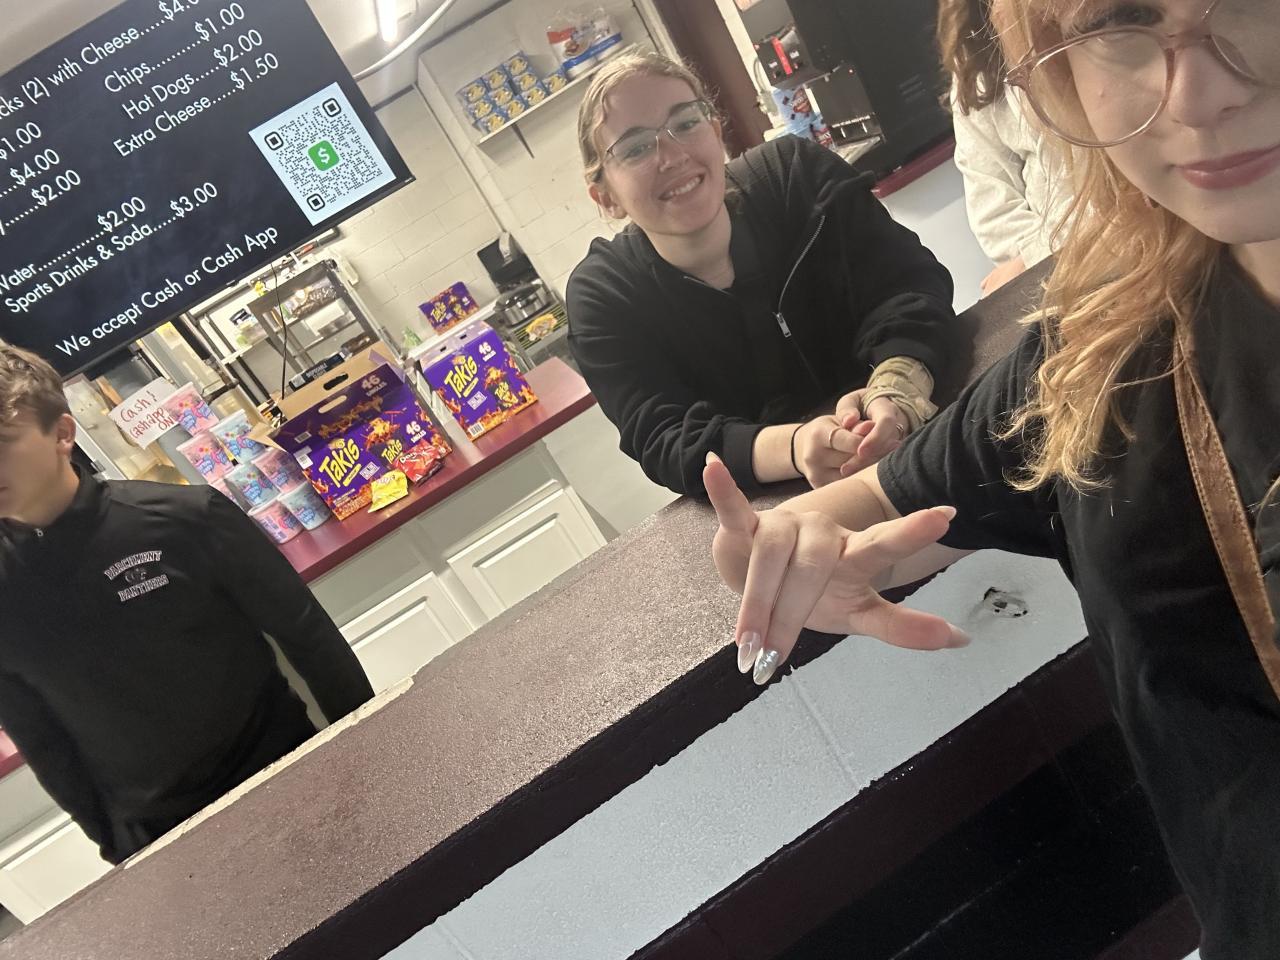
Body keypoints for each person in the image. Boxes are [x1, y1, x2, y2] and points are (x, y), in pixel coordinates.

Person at [704, 0, 1280, 955]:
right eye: (1121, 19)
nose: (1196, 92)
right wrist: (785, 553)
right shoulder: (1107, 356)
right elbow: (870, 510)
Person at [0, 346, 375, 864]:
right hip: (161, 842)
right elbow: (39, 737)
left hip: (289, 776)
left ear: (63, 434)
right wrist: (114, 845)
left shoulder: (186, 518)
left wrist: (369, 742)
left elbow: (308, 637)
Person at [567, 52, 965, 497]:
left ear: (715, 130)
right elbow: (664, 435)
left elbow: (910, 285)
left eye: (686, 122)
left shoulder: (798, 176)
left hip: (909, 440)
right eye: (636, 148)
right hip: (773, 506)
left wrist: (895, 390)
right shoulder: (605, 296)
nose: (673, 155)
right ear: (605, 197)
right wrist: (797, 446)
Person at [938, 0, 1074, 295]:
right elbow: (991, 204)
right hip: (1054, 276)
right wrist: (1040, 263)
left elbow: (1115, 191)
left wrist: (1035, 258)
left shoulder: (1084, 21)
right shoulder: (974, 57)